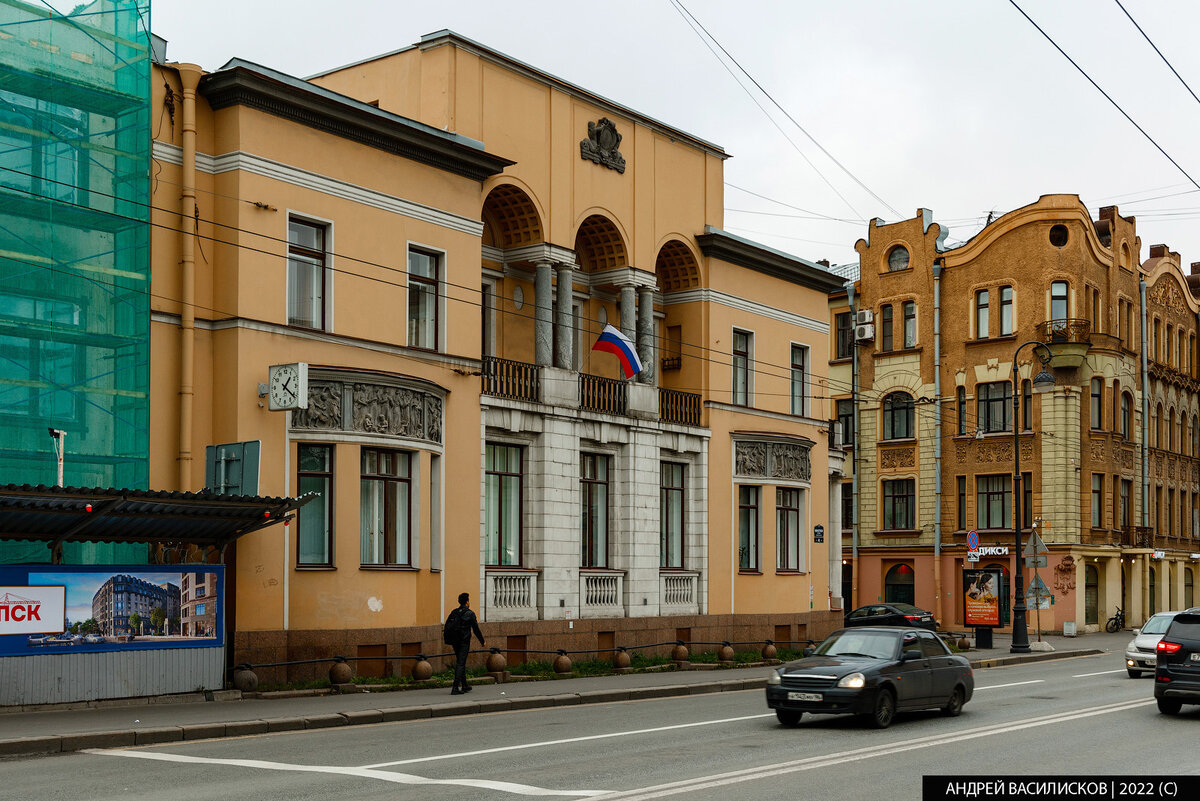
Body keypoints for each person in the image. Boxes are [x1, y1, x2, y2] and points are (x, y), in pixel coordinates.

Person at [449, 592, 484, 695]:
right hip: (464, 641)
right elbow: (476, 629)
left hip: (455, 641)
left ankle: (464, 685)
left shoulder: (454, 612)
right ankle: (455, 687)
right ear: (467, 602)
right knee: (460, 663)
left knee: (461, 661)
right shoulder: (470, 613)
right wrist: (482, 641)